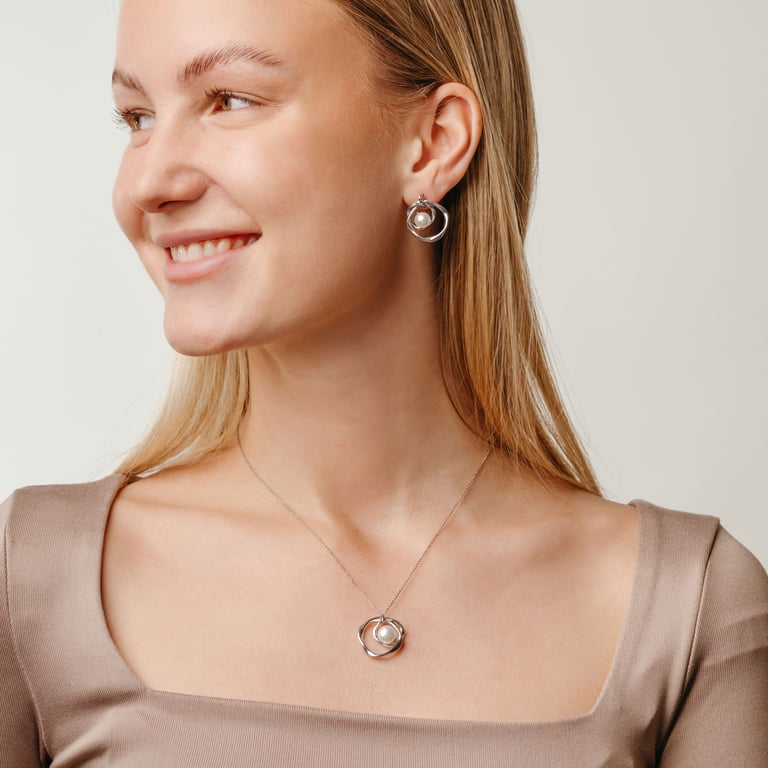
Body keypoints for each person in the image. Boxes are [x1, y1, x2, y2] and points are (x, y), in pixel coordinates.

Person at [1, 0, 766, 764]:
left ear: (433, 143)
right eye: (136, 117)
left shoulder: (687, 609)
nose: (148, 183)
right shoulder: (33, 583)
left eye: (230, 100)